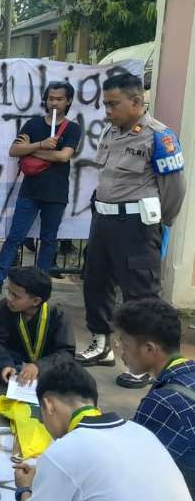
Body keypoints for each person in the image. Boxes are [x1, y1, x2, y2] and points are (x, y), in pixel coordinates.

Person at [0, 360, 195, 501]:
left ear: (49, 405)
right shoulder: (139, 432)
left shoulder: (65, 449)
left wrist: (24, 489)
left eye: (42, 416)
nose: (45, 424)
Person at [77, 72, 186, 389]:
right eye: (105, 104)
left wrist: (159, 221)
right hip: (105, 219)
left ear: (136, 101)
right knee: (96, 281)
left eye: (113, 104)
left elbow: (174, 188)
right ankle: (101, 343)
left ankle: (142, 361)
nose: (107, 111)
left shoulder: (159, 137)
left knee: (139, 293)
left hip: (137, 224)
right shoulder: (111, 131)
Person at [0, 82, 83, 297]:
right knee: (15, 236)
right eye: (51, 98)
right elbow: (14, 150)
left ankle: (41, 286)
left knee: (48, 240)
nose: (54, 103)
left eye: (59, 99)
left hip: (56, 193)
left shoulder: (73, 128)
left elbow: (64, 156)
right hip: (30, 191)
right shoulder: (33, 124)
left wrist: (31, 151)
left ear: (68, 101)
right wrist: (41, 145)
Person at [115, 298, 195, 501]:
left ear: (149, 349)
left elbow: (137, 471)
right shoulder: (187, 373)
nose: (120, 352)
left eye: (124, 345)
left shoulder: (164, 402)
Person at [0, 267, 74, 383]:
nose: (9, 298)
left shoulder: (58, 313)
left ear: (35, 301)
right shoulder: (5, 306)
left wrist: (38, 367)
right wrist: (5, 364)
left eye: (16, 296)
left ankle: (13, 378)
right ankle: (25, 378)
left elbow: (66, 352)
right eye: (9, 292)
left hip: (46, 362)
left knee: (69, 370)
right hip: (17, 359)